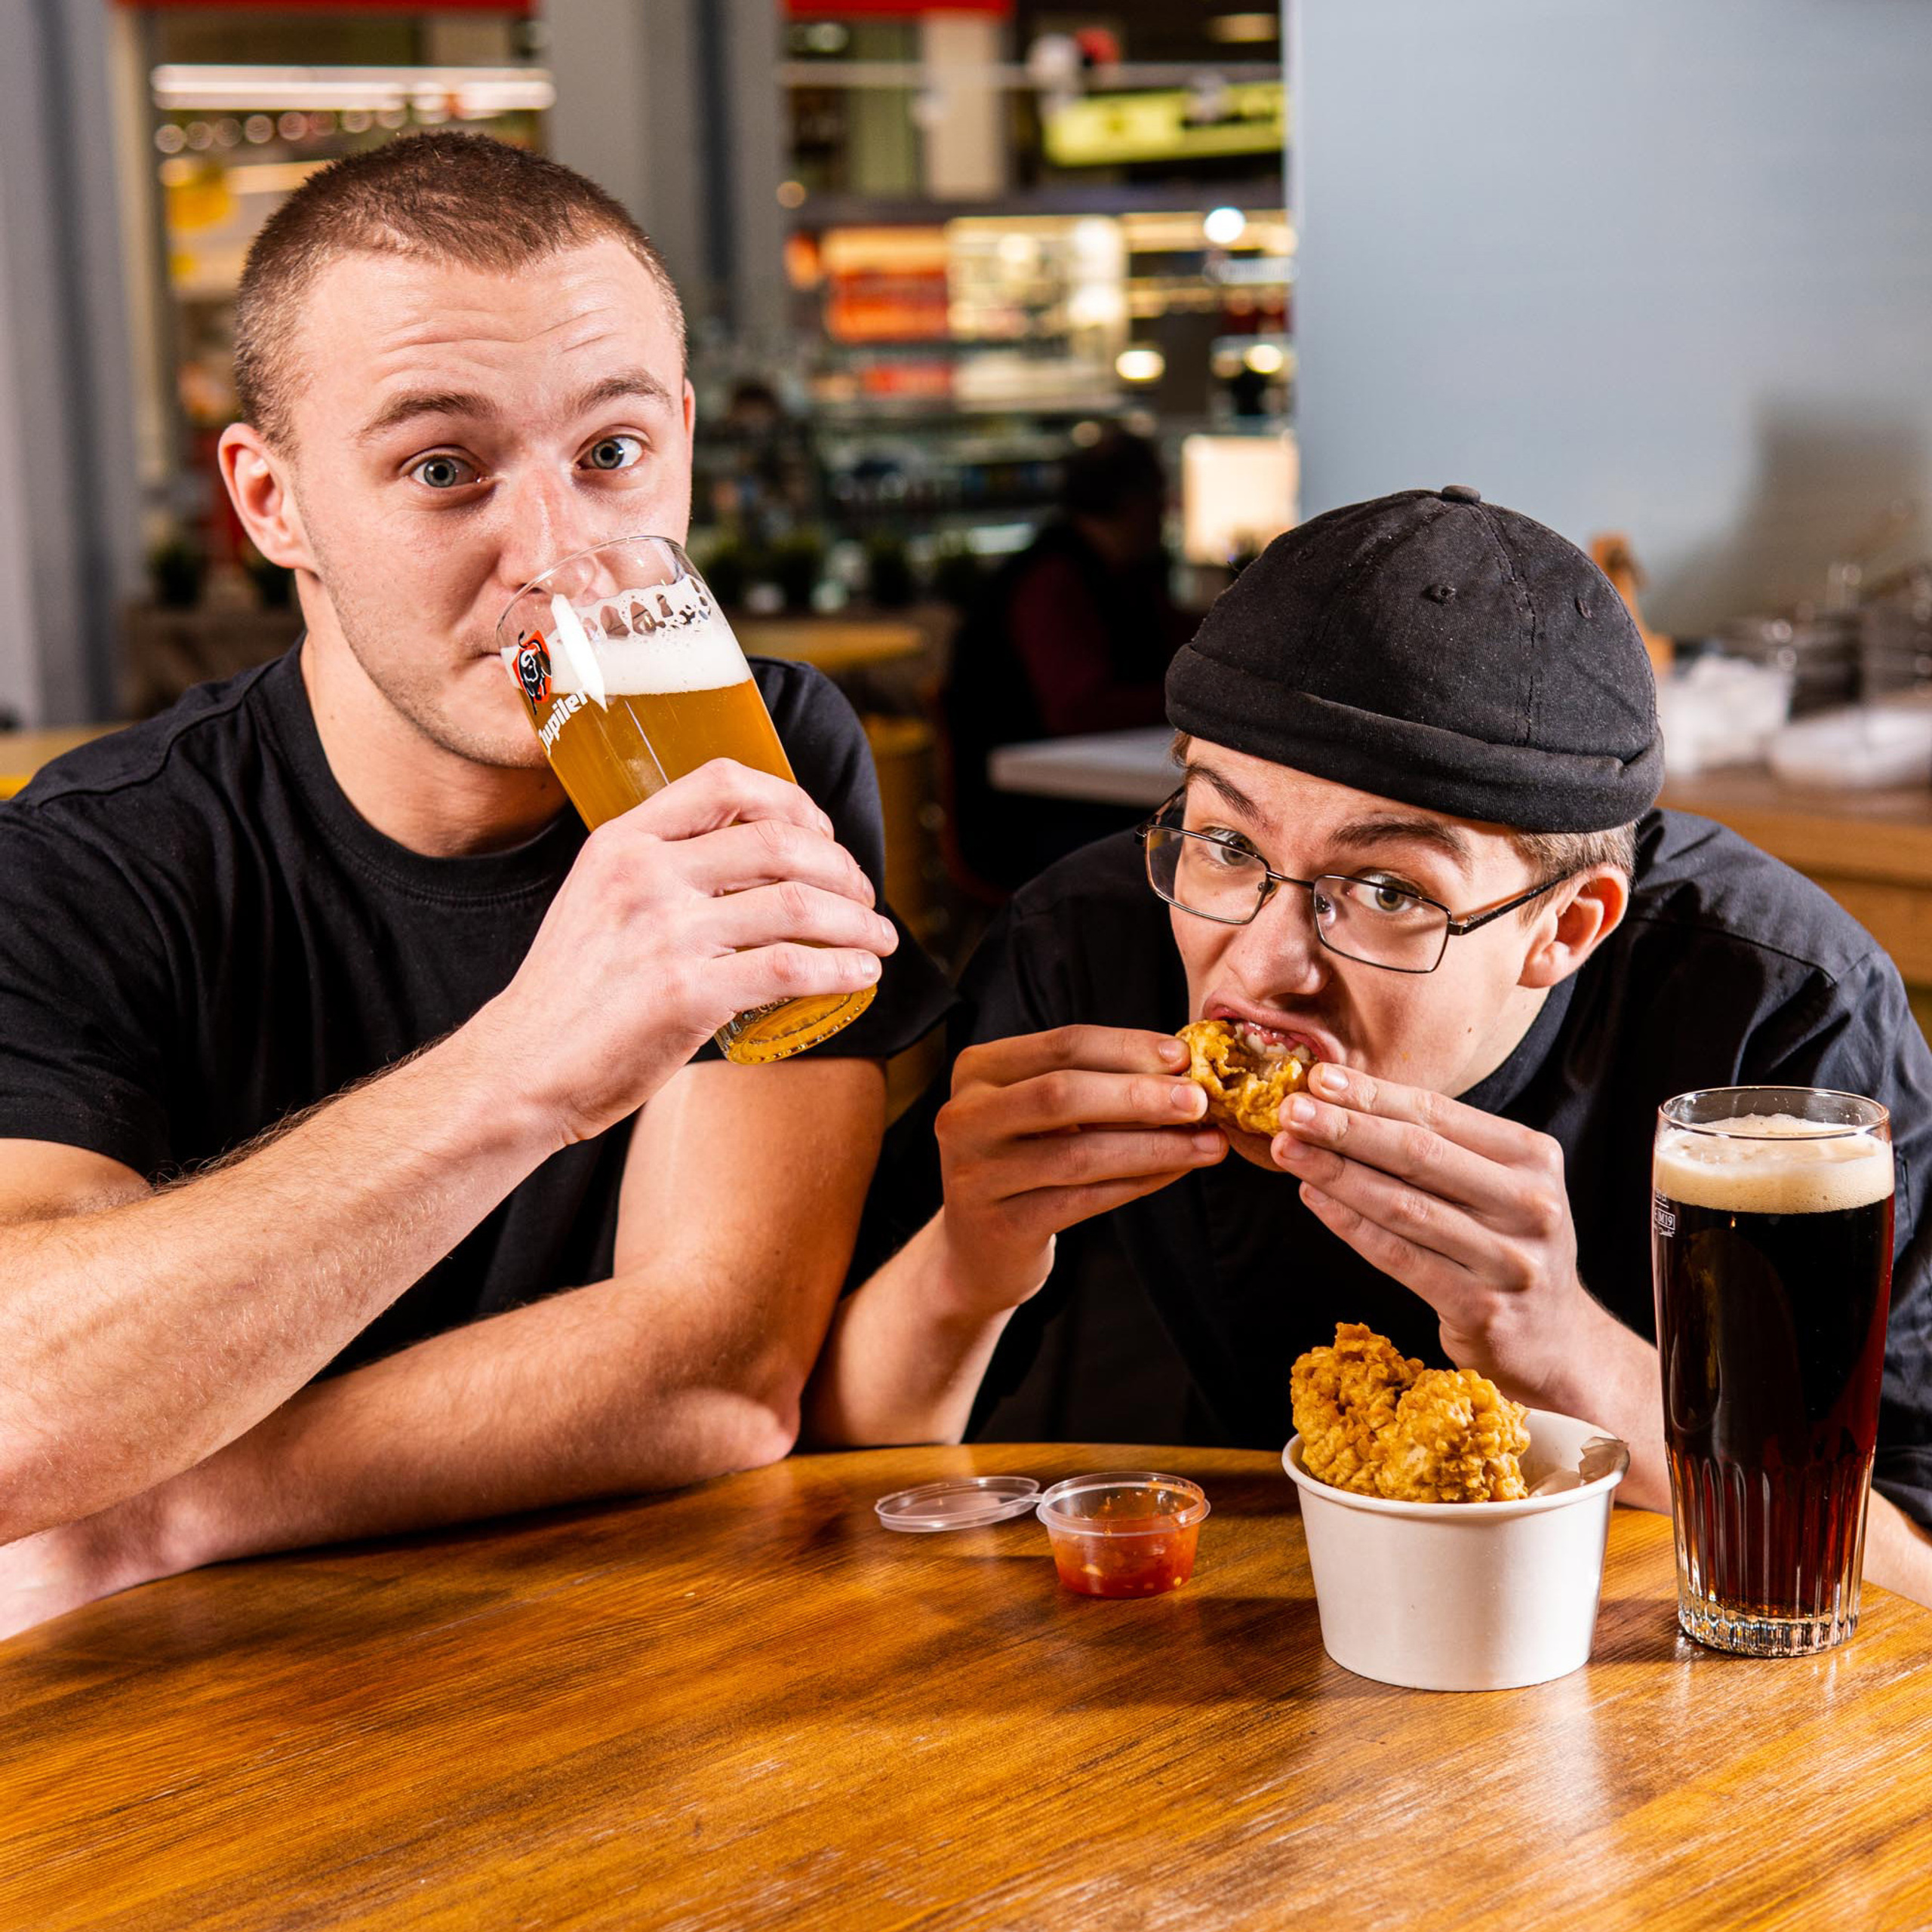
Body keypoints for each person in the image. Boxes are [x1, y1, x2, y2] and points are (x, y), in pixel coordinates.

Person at [0, 133, 952, 1638]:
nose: (555, 555)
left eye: (612, 454)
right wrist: (523, 1069)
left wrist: (165, 1501)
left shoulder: (748, 749)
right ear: (272, 502)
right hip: (192, 1688)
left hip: (622, 1646)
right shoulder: (86, 861)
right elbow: (15, 1415)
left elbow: (716, 1364)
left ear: (686, 441)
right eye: (443, 468)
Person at [811, 485, 1932, 1605]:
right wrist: (964, 1266)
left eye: (1388, 888)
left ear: (1567, 926)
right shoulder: (1085, 946)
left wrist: (1563, 1350)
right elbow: (839, 1475)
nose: (1260, 965)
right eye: (1224, 843)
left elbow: (1911, 1584)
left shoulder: (1781, 1026)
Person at [942, 428, 1193, 891]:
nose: (1168, 508)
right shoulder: (1052, 582)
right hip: (1023, 819)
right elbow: (1077, 709)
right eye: (1161, 493)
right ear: (1135, 502)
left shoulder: (1123, 575)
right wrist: (1197, 699)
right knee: (1192, 855)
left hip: (1072, 799)